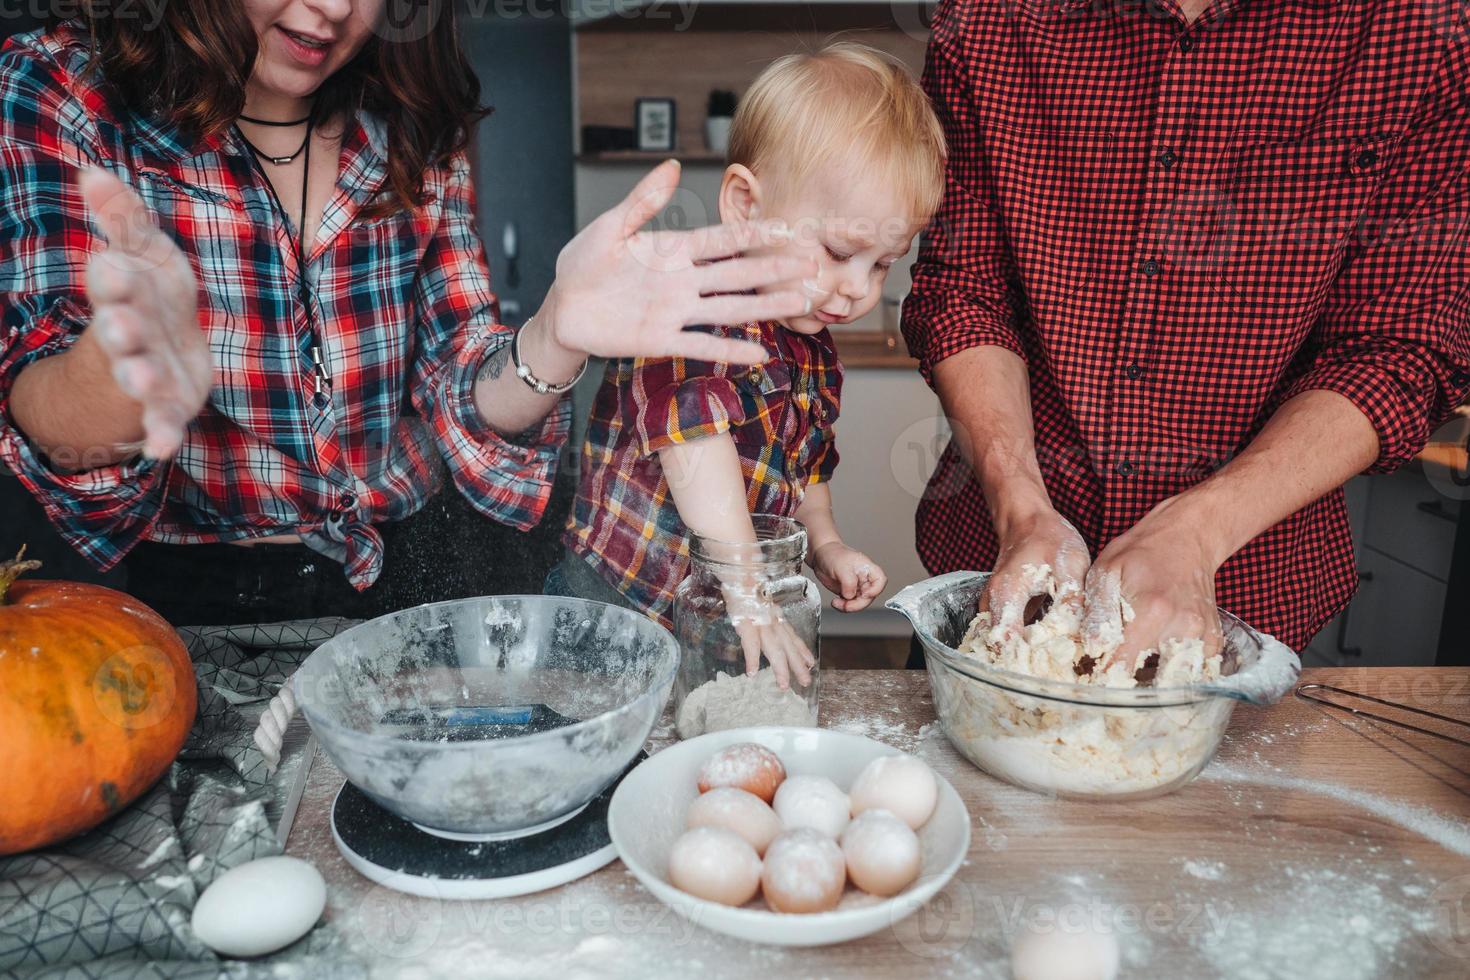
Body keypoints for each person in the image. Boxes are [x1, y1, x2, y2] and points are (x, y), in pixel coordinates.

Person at [0, 2, 819, 626]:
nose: (330, 11)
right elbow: (52, 433)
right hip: (192, 604)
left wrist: (555, 335)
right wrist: (121, 368)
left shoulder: (410, 118)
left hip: (422, 567)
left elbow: (468, 388)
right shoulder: (67, 88)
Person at [902, 0, 1470, 669]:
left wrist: (1199, 535)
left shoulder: (1424, 28)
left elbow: (1398, 349)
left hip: (1250, 606)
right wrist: (1022, 509)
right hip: (1001, 591)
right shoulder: (991, 14)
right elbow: (963, 290)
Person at [549, 43, 946, 687]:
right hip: (618, 597)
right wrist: (747, 588)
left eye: (881, 264)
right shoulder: (691, 307)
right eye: (840, 250)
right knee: (606, 738)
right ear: (746, 204)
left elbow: (803, 468)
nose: (858, 289)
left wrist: (827, 545)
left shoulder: (810, 341)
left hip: (720, 604)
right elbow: (693, 446)